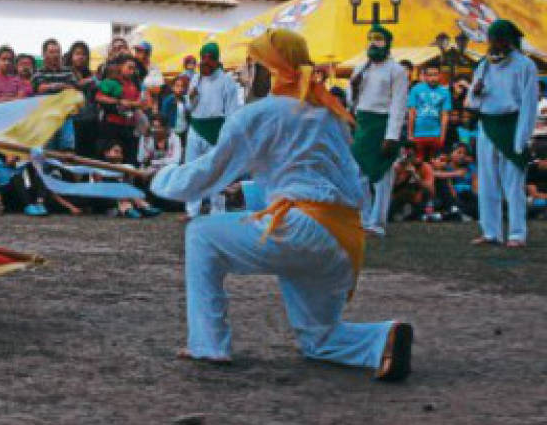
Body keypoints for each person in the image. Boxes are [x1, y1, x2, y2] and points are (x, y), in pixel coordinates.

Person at [151, 29, 413, 381]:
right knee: (319, 339)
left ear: (267, 68)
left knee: (200, 233)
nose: (244, 76)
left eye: (250, 67)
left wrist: (160, 177)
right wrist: (244, 190)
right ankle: (383, 338)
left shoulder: (260, 113)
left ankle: (208, 344)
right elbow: (324, 180)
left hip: (301, 229)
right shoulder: (327, 111)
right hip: (341, 238)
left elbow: (206, 173)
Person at [465, 20, 539, 247]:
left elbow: (529, 104)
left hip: (512, 125)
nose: (495, 45)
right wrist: (475, 92)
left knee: (513, 183)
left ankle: (517, 234)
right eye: (492, 40)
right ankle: (491, 232)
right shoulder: (484, 65)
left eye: (500, 40)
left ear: (509, 41)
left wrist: (523, 137)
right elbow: (472, 101)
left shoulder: (525, 65)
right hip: (487, 126)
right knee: (487, 182)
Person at [349, 25, 410, 237]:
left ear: (387, 43)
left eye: (379, 39)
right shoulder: (361, 68)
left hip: (383, 125)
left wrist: (392, 136)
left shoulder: (397, 70)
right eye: (371, 39)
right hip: (363, 124)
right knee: (359, 175)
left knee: (383, 176)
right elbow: (353, 102)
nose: (374, 43)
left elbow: (398, 105)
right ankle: (364, 220)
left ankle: (378, 224)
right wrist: (354, 87)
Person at [181, 42, 241, 219]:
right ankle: (191, 211)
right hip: (196, 127)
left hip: (216, 129)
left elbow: (232, 111)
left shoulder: (227, 81)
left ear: (216, 60)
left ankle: (218, 211)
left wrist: (228, 134)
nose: (206, 62)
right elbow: (189, 107)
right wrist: (190, 99)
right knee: (192, 169)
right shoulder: (195, 79)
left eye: (210, 59)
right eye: (203, 58)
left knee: (216, 171)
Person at [407, 64, 452, 161]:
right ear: (425, 76)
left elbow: (445, 116)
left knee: (434, 163)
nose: (433, 78)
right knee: (418, 163)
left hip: (436, 134)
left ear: (440, 75)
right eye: (430, 75)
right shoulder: (416, 89)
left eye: (435, 75)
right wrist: (410, 134)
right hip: (418, 133)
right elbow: (412, 113)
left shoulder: (445, 92)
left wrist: (442, 136)